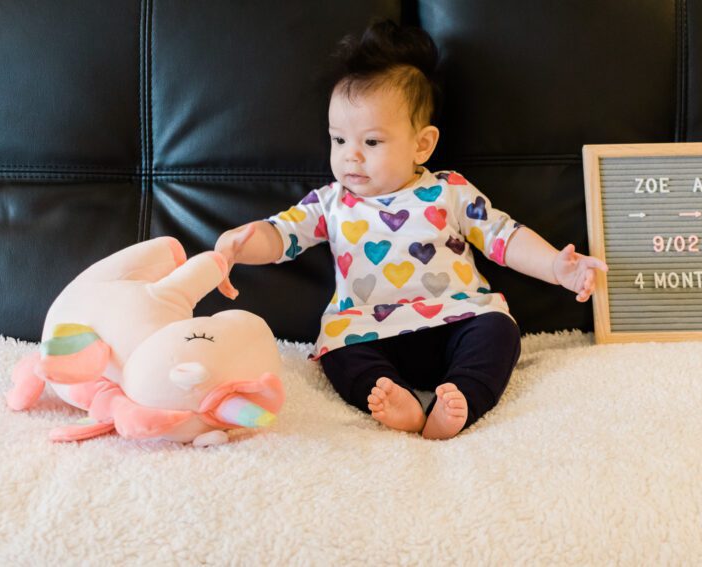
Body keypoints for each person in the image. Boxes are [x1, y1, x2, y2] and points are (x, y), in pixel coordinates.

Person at [214, 20, 608, 440]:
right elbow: (282, 234)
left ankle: (459, 398)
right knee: (337, 345)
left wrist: (556, 266)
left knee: (499, 328)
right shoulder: (331, 202)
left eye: (371, 143)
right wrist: (238, 245)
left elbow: (504, 236)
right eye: (339, 140)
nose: (351, 157)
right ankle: (393, 397)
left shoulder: (448, 191)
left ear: (422, 144)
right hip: (368, 327)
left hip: (456, 319)